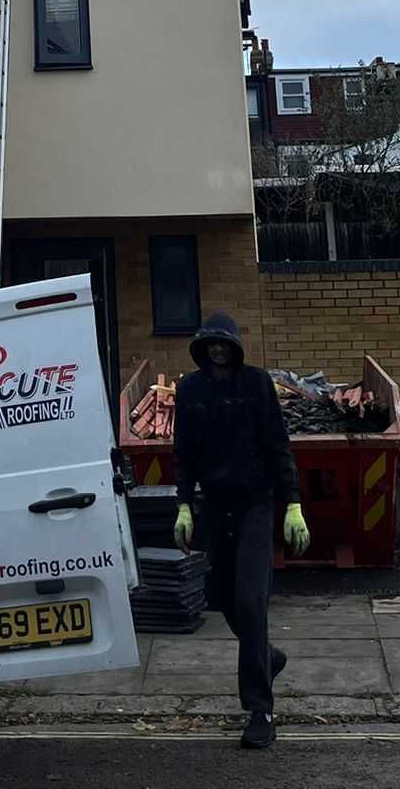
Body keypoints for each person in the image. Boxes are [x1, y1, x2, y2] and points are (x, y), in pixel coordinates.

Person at [172, 310, 310, 750]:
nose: (217, 350)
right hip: (213, 505)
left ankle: (260, 709)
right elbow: (183, 452)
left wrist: (293, 503)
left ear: (234, 346)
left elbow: (277, 444)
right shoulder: (190, 391)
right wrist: (182, 504)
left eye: (224, 344)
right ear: (202, 348)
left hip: (254, 503)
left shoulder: (255, 384)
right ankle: (266, 657)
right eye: (211, 343)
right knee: (221, 600)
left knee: (251, 601)